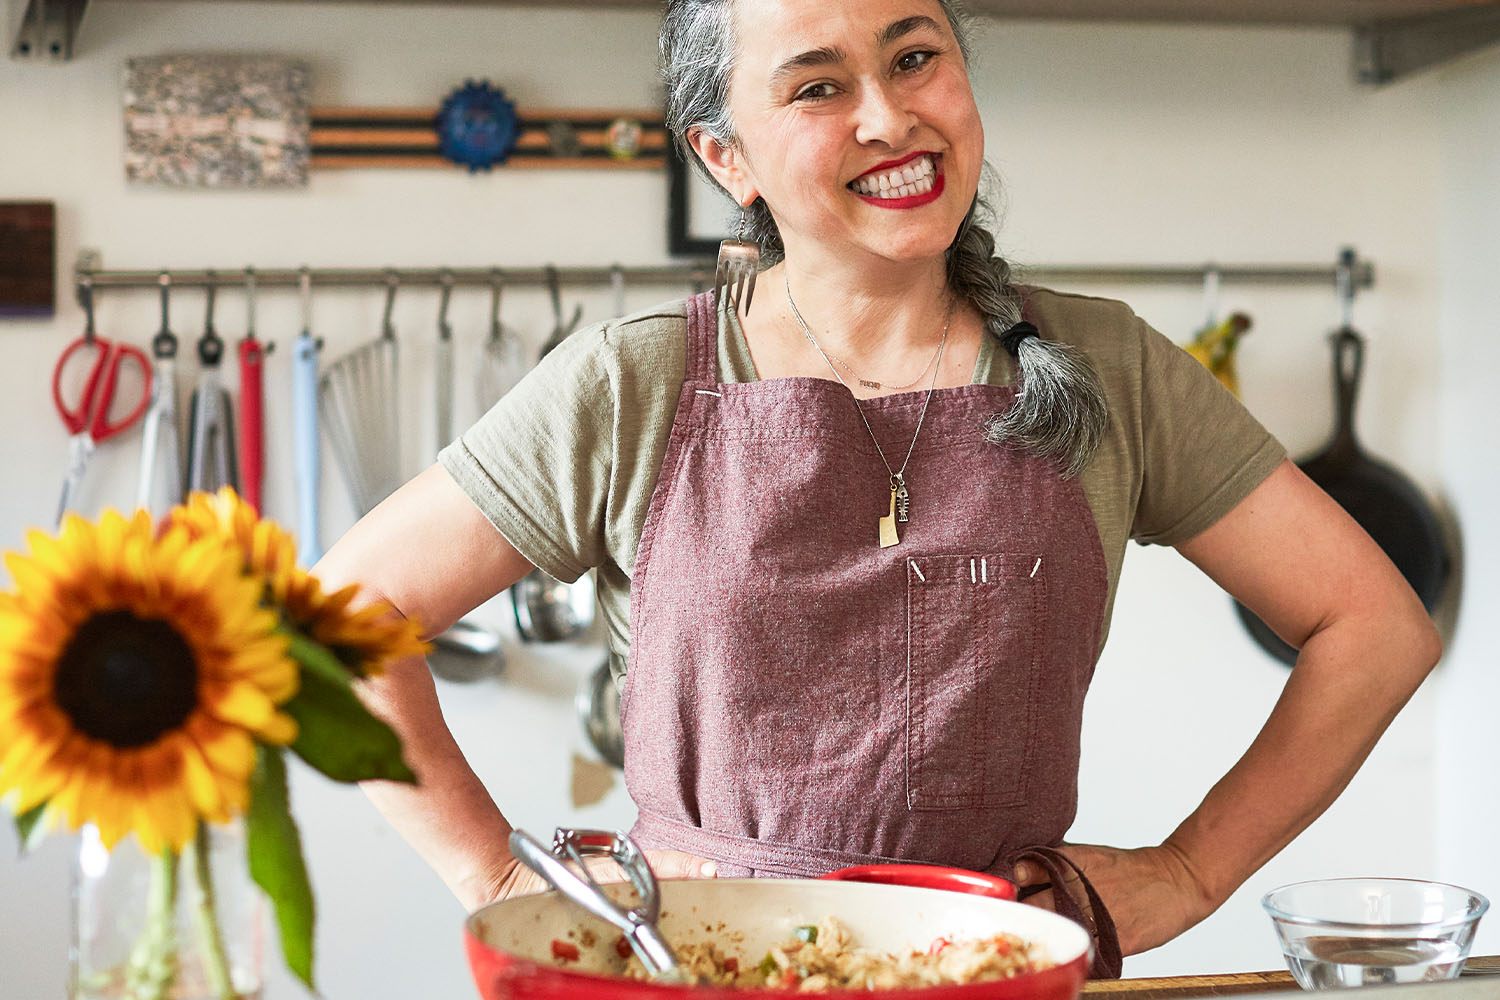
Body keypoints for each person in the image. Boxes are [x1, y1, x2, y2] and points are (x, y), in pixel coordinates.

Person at [314, 0, 1440, 975]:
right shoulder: (635, 382)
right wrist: (498, 875)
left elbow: (1375, 624)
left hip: (993, 967)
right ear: (727, 159)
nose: (889, 117)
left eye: (914, 58)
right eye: (816, 86)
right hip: (703, 968)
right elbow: (344, 616)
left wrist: (1191, 869)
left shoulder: (1112, 368)